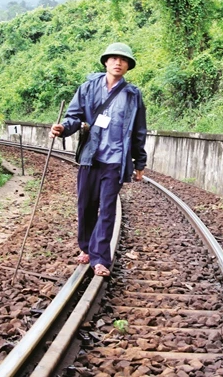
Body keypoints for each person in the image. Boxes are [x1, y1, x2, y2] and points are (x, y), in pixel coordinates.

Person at [49, 42, 147, 277]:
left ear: (128, 66)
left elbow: (139, 131)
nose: (118, 62)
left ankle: (101, 258)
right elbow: (74, 117)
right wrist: (62, 128)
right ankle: (86, 247)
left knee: (107, 210)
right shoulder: (88, 88)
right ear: (105, 61)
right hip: (90, 157)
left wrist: (139, 163)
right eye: (113, 58)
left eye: (123, 60)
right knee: (86, 205)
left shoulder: (133, 95)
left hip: (115, 160)